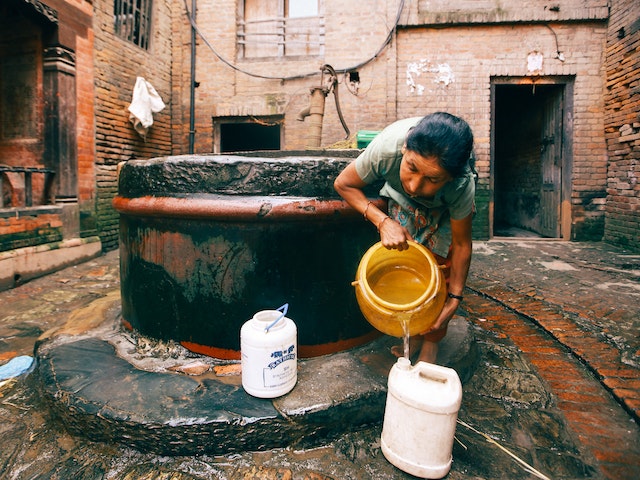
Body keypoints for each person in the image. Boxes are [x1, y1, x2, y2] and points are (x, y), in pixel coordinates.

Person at [334, 112, 475, 363]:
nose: (414, 185)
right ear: (404, 149)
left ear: (451, 178)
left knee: (440, 269)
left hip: (443, 209)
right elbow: (343, 184)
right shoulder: (386, 149)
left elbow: (463, 245)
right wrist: (383, 221)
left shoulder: (461, 184)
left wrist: (454, 298)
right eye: (411, 168)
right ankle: (414, 336)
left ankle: (431, 341)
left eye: (432, 179)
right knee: (409, 259)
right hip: (400, 203)